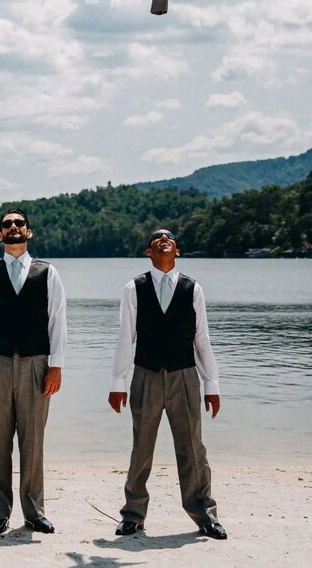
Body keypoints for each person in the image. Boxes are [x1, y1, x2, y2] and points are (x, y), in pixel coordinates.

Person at [108, 229, 227, 540]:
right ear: (149, 251)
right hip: (145, 374)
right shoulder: (133, 288)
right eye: (157, 238)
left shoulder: (193, 289)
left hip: (185, 375)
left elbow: (202, 339)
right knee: (142, 447)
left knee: (193, 448)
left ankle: (205, 514)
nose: (163, 239)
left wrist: (211, 384)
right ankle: (133, 515)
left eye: (169, 238)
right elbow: (125, 337)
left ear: (177, 251)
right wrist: (118, 380)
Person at [0, 208, 66, 534]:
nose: (14, 227)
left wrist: (56, 365)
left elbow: (57, 321)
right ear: (0, 235)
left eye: (19, 223)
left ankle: (34, 512)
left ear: (29, 232)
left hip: (36, 364)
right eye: (7, 225)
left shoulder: (48, 273)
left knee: (33, 441)